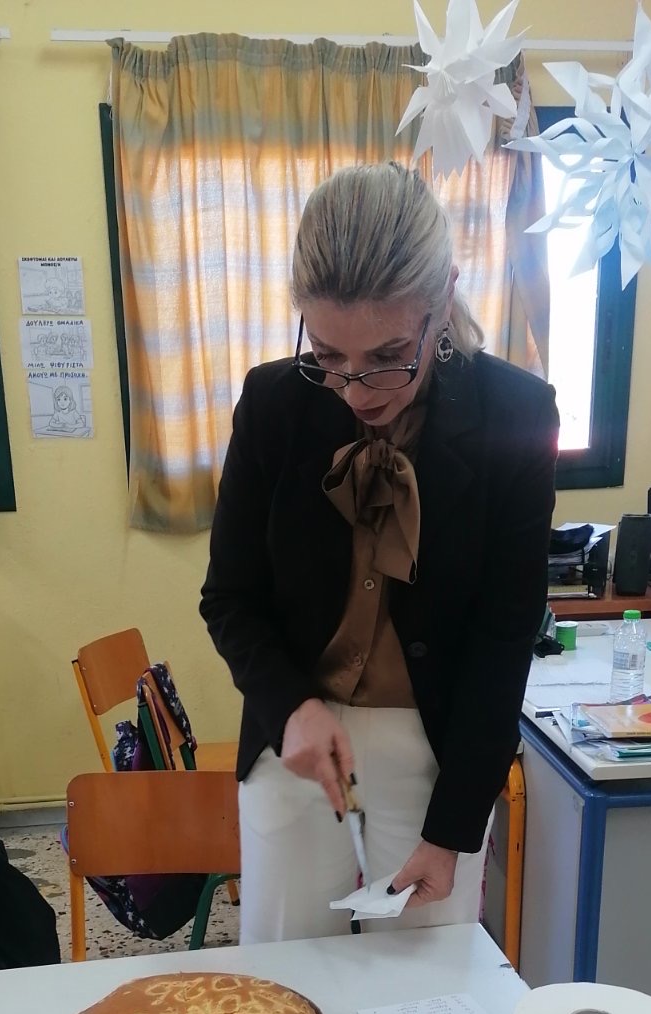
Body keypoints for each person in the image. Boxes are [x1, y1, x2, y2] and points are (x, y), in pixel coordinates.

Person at [201, 162, 559, 944]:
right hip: (297, 743)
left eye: (390, 353)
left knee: (426, 992)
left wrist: (454, 828)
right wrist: (290, 706)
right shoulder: (273, 404)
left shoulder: (517, 416)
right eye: (329, 356)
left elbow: (504, 639)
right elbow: (228, 598)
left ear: (445, 299)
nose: (358, 389)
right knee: (285, 977)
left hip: (436, 751)